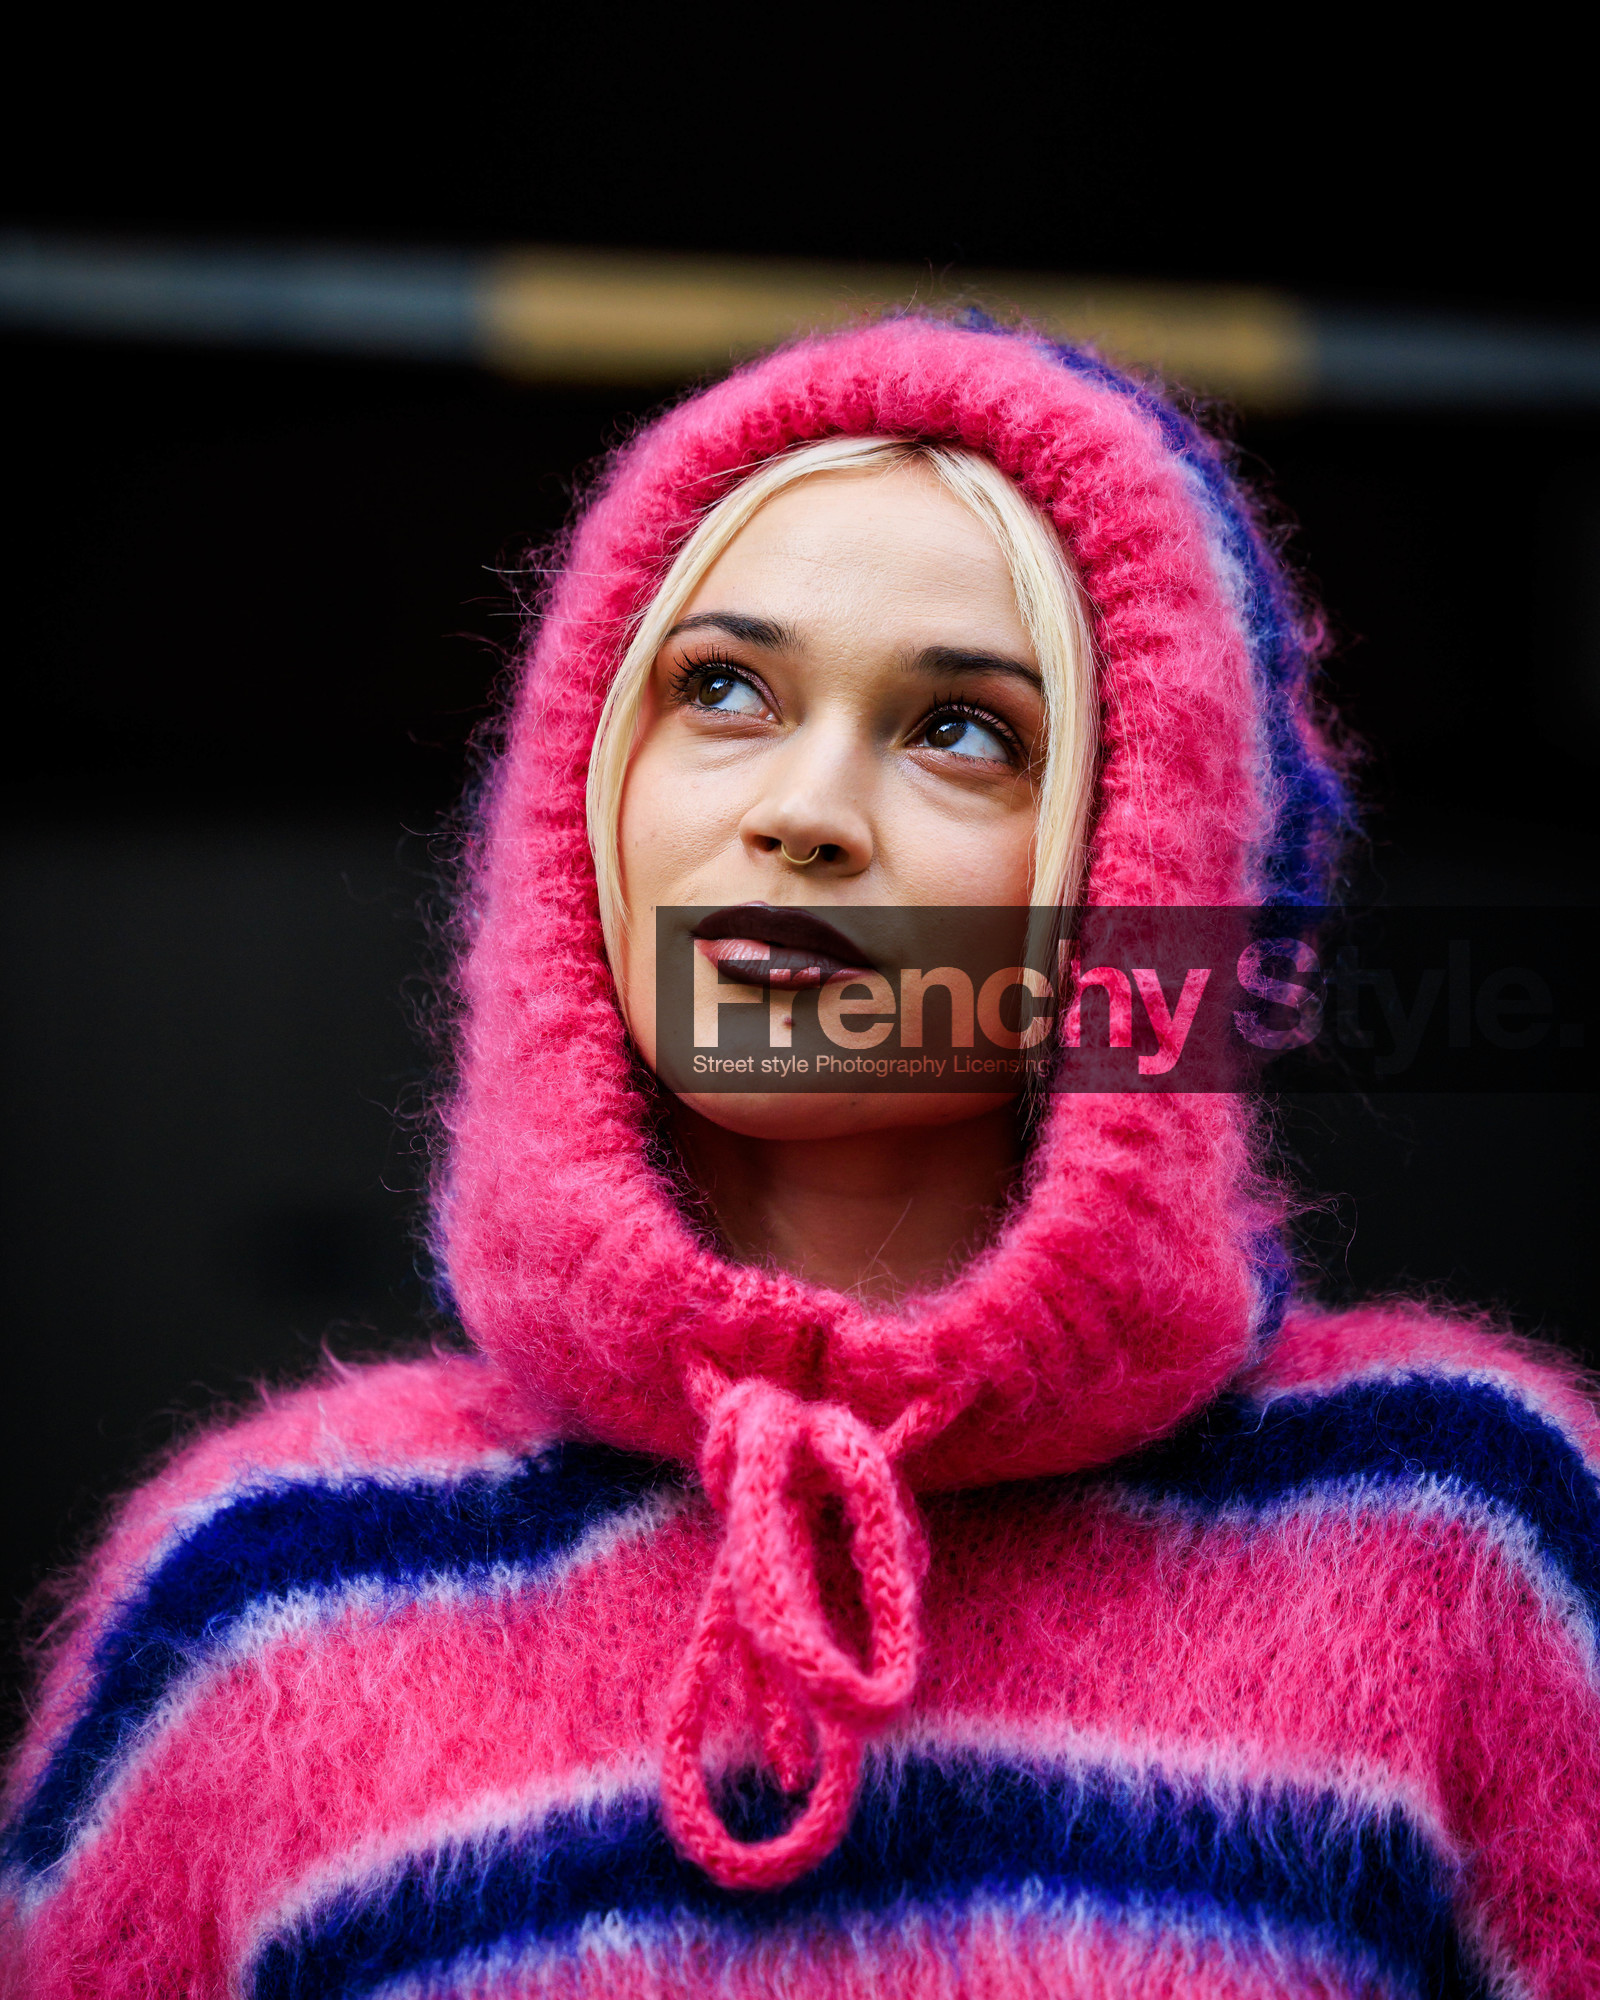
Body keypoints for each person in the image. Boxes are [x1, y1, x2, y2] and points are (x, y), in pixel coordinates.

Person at [4, 316, 1597, 1997]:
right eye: (724, 691)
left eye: (965, 732)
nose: (808, 809)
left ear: (1148, 877)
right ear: (585, 791)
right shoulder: (264, 1588)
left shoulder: (1466, 1532)